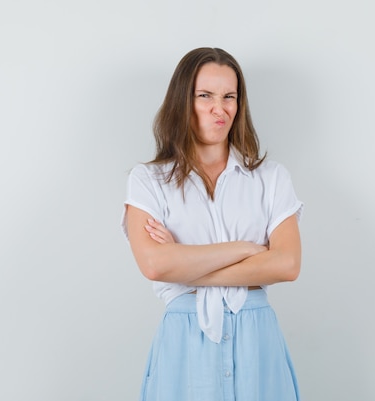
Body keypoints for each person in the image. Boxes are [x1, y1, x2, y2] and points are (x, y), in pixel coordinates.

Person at [122, 47, 303, 401]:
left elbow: (287, 264)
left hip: (258, 338)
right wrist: (246, 250)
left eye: (229, 97)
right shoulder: (147, 181)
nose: (219, 109)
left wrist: (185, 263)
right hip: (185, 340)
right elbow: (156, 265)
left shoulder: (271, 177)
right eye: (204, 96)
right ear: (181, 101)